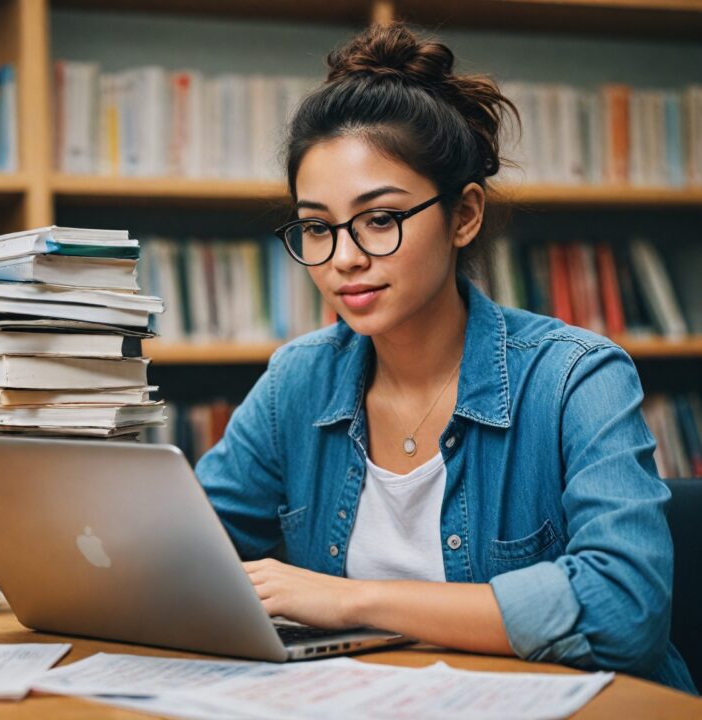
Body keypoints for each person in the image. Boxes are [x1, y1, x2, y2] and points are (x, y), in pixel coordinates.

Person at [194, 21, 696, 694]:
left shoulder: (577, 377)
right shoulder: (299, 380)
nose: (343, 259)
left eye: (380, 219)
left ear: (464, 216)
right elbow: (185, 555)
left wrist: (348, 601)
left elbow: (624, 609)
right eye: (317, 227)